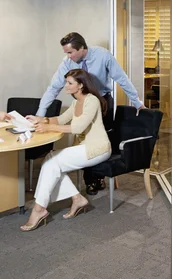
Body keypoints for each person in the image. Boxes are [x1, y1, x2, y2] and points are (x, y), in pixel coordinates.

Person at [35, 32, 145, 195]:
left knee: (99, 138)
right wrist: (40, 114)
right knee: (84, 138)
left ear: (81, 48)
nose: (67, 56)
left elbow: (122, 79)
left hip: (102, 100)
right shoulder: (67, 63)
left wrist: (137, 102)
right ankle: (91, 180)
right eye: (66, 52)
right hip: (81, 101)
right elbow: (53, 88)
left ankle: (97, 177)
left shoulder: (103, 55)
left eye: (70, 52)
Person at [21, 69, 111, 232]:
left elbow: (77, 127)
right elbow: (62, 119)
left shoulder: (92, 101)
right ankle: (76, 199)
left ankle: (39, 208)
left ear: (81, 85)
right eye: (66, 82)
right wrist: (42, 119)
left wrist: (47, 127)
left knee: (51, 162)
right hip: (83, 147)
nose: (66, 86)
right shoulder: (77, 101)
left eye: (70, 83)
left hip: (97, 148)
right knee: (51, 160)